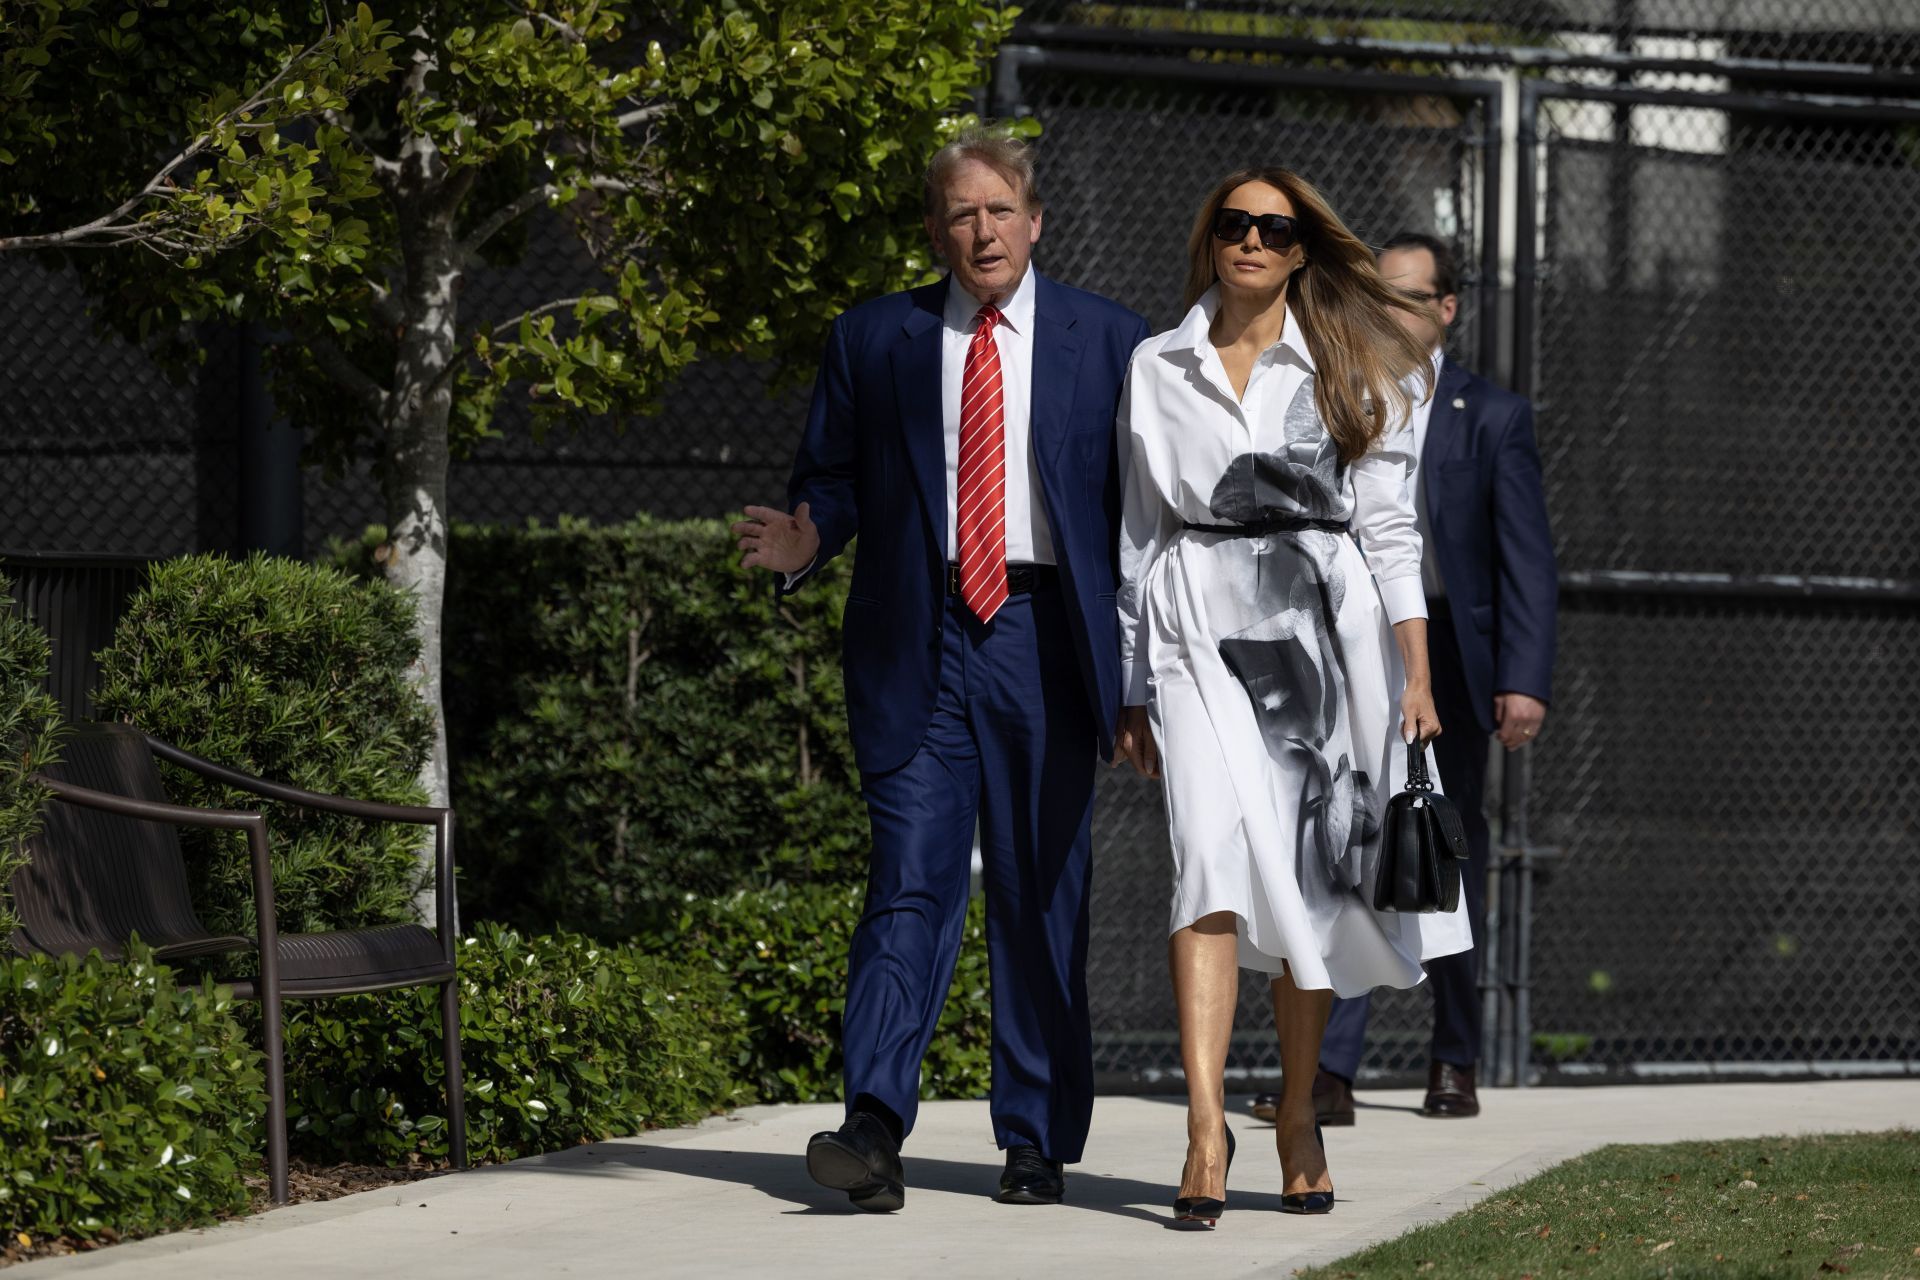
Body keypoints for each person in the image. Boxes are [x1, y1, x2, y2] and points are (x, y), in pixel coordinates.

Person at [732, 126, 1149, 1213]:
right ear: (935, 231)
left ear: (1035, 220)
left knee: (1039, 891)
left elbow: (1146, 519)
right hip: (918, 636)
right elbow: (830, 476)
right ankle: (871, 1122)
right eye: (961, 214)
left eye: (1000, 209)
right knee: (909, 881)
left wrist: (1145, 674)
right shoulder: (876, 337)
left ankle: (1037, 1137)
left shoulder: (1110, 342)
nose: (983, 230)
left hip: (1047, 639)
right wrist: (807, 538)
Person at [1114, 168, 1471, 1227]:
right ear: (1211, 236)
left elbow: (1391, 531)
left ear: (1302, 248)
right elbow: (1139, 532)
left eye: (1274, 228)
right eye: (1235, 224)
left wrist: (1415, 670)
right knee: (1208, 860)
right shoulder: (1155, 364)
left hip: (1325, 633)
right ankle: (1205, 1126)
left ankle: (1301, 1114)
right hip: (1192, 628)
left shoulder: (1349, 366)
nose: (1253, 242)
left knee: (1313, 874)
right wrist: (1131, 678)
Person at [1300, 232, 1558, 1124]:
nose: (1392, 311)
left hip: (1449, 654)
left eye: (1410, 296)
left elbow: (1527, 559)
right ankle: (1330, 1070)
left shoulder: (1491, 415)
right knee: (1351, 836)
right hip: (1354, 647)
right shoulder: (1340, 395)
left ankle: (1455, 1058)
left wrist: (1523, 679)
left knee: (1446, 844)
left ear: (1446, 307)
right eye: (1381, 294)